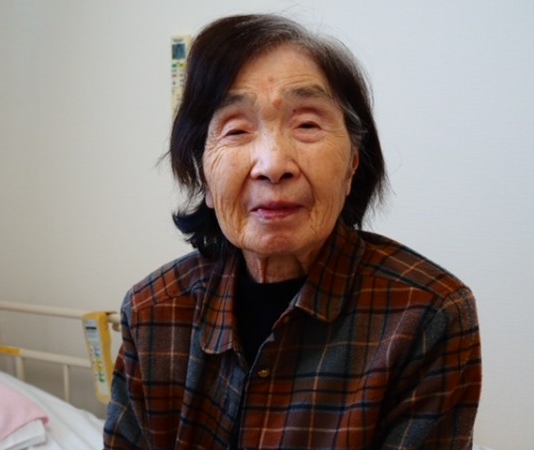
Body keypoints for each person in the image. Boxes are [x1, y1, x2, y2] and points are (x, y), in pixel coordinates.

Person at [104, 13, 482, 450]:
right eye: (236, 130)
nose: (273, 165)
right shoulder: (152, 311)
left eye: (307, 125)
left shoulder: (427, 314)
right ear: (203, 176)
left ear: (352, 164)